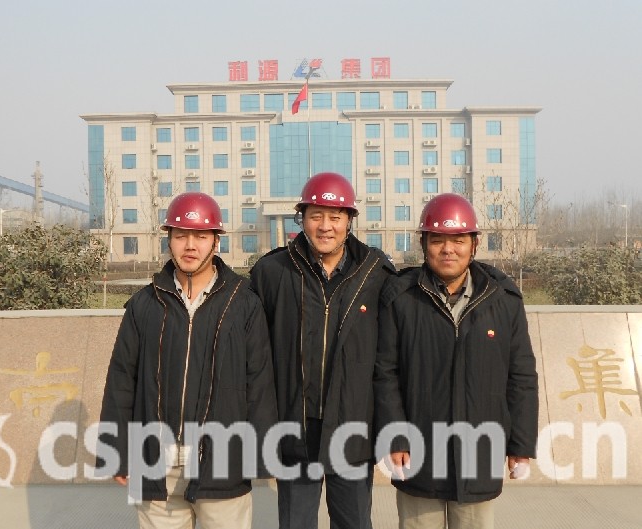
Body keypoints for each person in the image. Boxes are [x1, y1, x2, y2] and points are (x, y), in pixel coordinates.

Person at [98, 192, 278, 529]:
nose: (190, 246)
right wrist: (117, 451)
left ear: (216, 241)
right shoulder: (145, 304)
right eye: (181, 236)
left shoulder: (243, 303)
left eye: (200, 236)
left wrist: (261, 454)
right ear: (169, 239)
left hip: (222, 462)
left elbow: (259, 381)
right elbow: (122, 380)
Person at [374, 193, 539, 529]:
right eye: (437, 240)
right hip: (419, 449)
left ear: (474, 244)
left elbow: (521, 375)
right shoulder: (401, 298)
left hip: (479, 450)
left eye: (458, 240)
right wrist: (395, 437)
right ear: (424, 244)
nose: (448, 249)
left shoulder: (502, 299)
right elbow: (385, 374)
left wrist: (521, 444)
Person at [250, 171, 394, 529]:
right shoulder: (273, 272)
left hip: (352, 428)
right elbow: (252, 353)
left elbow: (391, 358)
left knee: (354, 522)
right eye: (316, 216)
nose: (325, 226)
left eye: (335, 217)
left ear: (349, 221)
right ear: (302, 219)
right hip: (295, 428)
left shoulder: (376, 273)